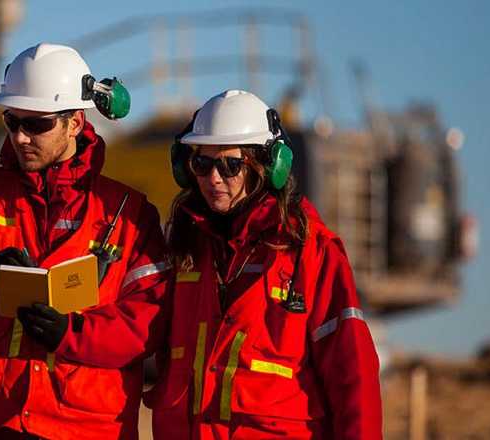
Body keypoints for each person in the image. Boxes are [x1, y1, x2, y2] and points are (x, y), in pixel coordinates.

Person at [0, 43, 172, 439]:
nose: (20, 136)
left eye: (37, 124)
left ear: (75, 123)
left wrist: (70, 335)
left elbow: (147, 323)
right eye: (11, 121)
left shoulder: (130, 215)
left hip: (84, 425)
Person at [145, 89, 382, 439]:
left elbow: (353, 375)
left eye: (230, 165)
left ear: (267, 166)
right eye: (202, 163)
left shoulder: (312, 252)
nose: (213, 178)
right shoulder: (182, 248)